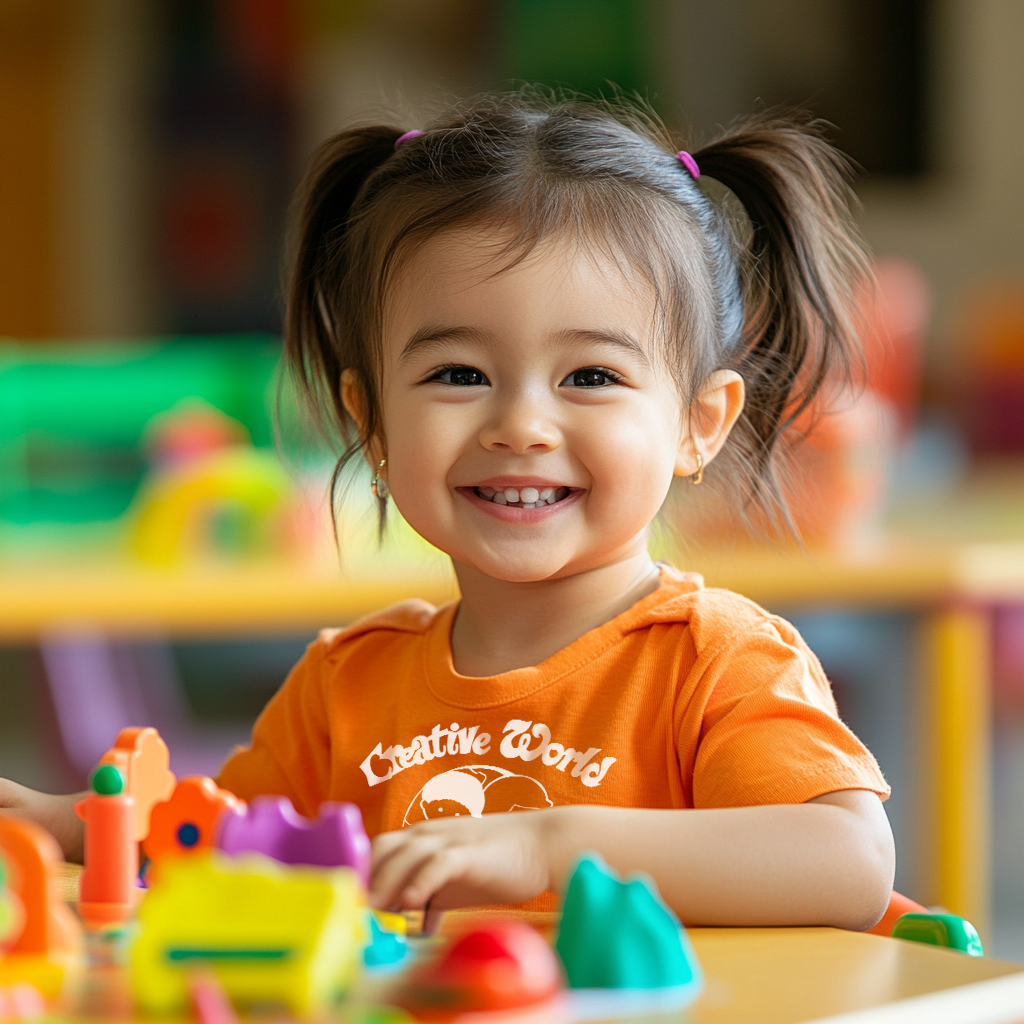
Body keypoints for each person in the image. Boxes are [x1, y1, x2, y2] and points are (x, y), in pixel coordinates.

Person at [0, 93, 894, 931]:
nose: (521, 427)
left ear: (698, 425)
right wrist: (84, 826)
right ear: (371, 419)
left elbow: (847, 863)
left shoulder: (716, 663)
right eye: (458, 375)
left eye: (591, 376)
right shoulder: (344, 687)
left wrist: (548, 844)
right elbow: (230, 839)